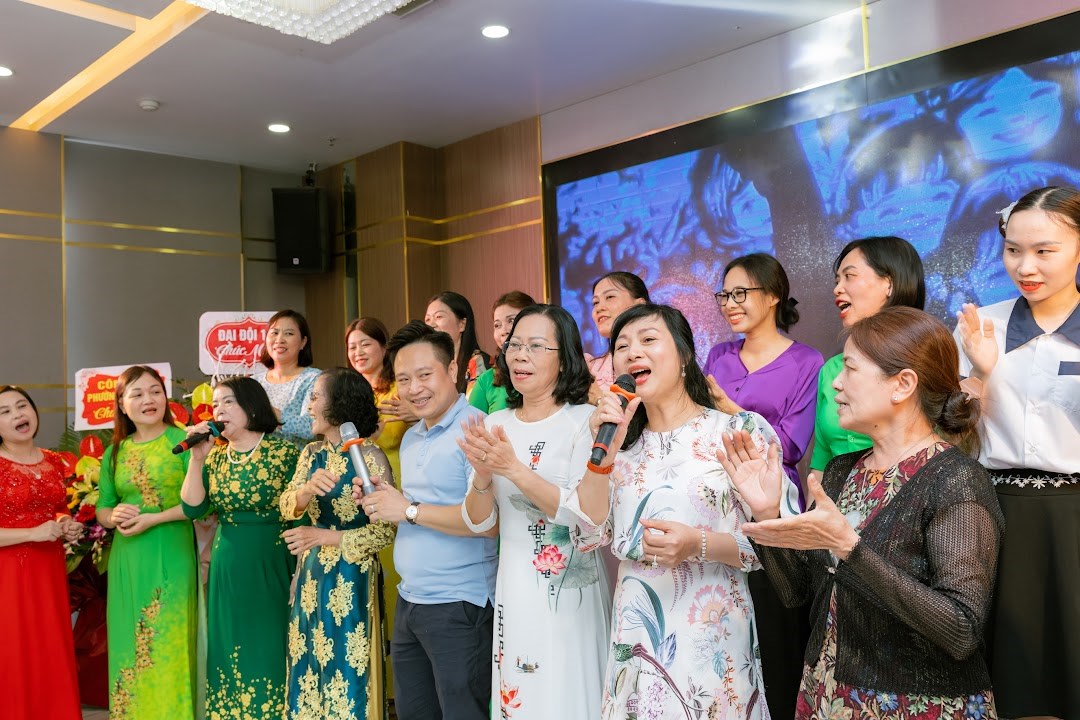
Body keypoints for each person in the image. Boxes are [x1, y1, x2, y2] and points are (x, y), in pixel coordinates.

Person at [727, 306, 1003, 719]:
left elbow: (961, 629)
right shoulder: (842, 471)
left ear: (902, 384)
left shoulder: (956, 479)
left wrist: (849, 548)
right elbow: (797, 592)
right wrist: (766, 510)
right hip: (827, 698)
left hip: (913, 706)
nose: (836, 383)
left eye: (851, 369)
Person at [566, 304, 777, 720]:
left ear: (684, 356)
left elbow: (775, 544)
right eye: (621, 347)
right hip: (638, 644)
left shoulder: (736, 432)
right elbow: (586, 536)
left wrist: (698, 544)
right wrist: (601, 459)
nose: (632, 352)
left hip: (714, 642)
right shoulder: (612, 443)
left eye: (648, 339)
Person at [954, 185, 1080, 720]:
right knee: (1011, 676)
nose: (1025, 266)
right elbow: (953, 436)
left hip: (1073, 518)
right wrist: (982, 372)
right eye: (1013, 250)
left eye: (1044, 250)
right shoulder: (980, 325)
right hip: (995, 514)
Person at [459, 305, 610, 719]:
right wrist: (483, 475)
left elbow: (584, 519)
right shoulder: (497, 421)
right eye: (515, 345)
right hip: (515, 588)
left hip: (570, 594)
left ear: (565, 358)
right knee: (522, 695)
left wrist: (513, 469)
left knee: (567, 696)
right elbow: (481, 524)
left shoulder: (585, 422)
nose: (520, 355)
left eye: (536, 346)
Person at [702, 252, 822, 720]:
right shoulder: (718, 356)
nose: (730, 304)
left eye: (741, 293)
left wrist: (733, 413)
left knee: (774, 634)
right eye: (724, 295)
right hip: (716, 506)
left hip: (773, 509)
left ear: (773, 295)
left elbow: (790, 445)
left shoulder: (807, 361)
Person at [359, 321, 498, 720]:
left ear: (452, 370)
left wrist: (408, 510)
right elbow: (415, 506)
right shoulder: (412, 435)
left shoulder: (476, 429)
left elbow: (487, 523)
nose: (414, 388)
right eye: (404, 379)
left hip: (459, 604)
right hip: (411, 599)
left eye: (424, 375)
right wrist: (385, 498)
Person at [179, 376, 300, 719]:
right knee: (229, 648)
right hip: (228, 565)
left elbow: (303, 516)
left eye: (228, 401)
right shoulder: (215, 457)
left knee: (270, 646)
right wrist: (197, 459)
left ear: (252, 406)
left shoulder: (285, 453)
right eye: (215, 404)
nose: (219, 410)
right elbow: (192, 508)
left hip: (273, 560)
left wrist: (301, 570)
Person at [280, 367, 397, 720]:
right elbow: (286, 506)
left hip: (352, 576)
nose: (309, 406)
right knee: (309, 666)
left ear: (340, 404)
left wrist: (326, 537)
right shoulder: (311, 453)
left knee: (348, 670)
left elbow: (385, 531)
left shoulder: (370, 457)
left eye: (315, 397)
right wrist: (305, 491)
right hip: (311, 576)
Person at [96, 365, 200, 720]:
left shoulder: (184, 441)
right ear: (121, 405)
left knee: (169, 640)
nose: (148, 400)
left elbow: (199, 505)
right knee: (130, 641)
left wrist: (153, 518)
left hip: (172, 553)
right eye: (137, 394)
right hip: (128, 559)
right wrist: (113, 516)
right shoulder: (115, 452)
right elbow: (103, 508)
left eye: (155, 391)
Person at [809, 237, 925, 484]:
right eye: (837, 281)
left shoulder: (926, 360)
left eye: (849, 276)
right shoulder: (831, 370)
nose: (837, 289)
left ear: (889, 284)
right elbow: (820, 464)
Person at [0, 385, 83, 720]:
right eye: (5, 411)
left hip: (49, 571)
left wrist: (66, 523)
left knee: (50, 647)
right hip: (9, 576)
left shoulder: (53, 460)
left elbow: (58, 507)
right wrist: (32, 533)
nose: (18, 414)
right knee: (15, 652)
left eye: (22, 406)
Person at [345, 315, 413, 704]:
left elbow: (393, 432)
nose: (358, 352)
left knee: (393, 579)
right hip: (357, 492)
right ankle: (373, 687)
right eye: (352, 346)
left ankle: (396, 692)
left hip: (394, 485)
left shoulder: (399, 389)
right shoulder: (349, 393)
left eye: (365, 344)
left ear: (383, 347)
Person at [255, 309, 321, 446]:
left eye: (289, 333)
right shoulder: (254, 382)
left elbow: (310, 426)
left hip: (298, 458)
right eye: (274, 333)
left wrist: (270, 413)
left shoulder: (314, 378)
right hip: (257, 458)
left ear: (303, 342)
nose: (279, 340)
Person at [468, 290, 537, 413]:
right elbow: (472, 422)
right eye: (497, 325)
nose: (503, 331)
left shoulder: (548, 372)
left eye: (511, 321)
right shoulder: (486, 380)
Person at [585, 271, 649, 397]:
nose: (599, 308)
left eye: (610, 297)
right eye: (595, 302)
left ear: (639, 305)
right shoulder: (590, 369)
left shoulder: (661, 354)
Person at [425, 291, 490, 396]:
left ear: (461, 324)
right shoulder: (427, 367)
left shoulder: (477, 362)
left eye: (438, 317)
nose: (431, 324)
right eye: (427, 319)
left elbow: (474, 405)